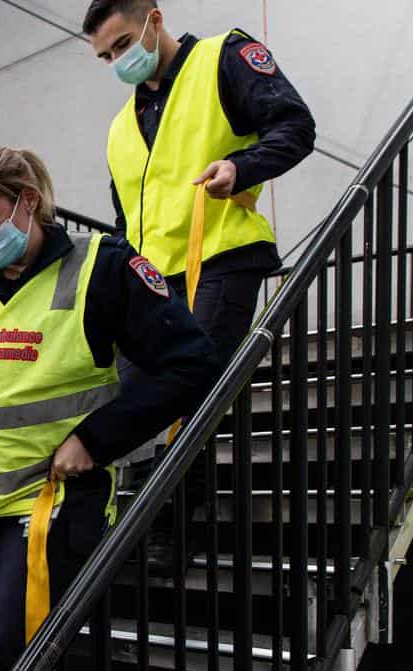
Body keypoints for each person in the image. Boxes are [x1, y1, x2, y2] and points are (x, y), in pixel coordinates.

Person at [0, 146, 219, 671]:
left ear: (28, 202)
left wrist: (97, 440)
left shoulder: (102, 265)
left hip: (47, 502)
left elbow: (190, 363)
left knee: (10, 649)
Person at [84, 0, 315, 565]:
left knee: (191, 383)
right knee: (132, 396)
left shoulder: (223, 57)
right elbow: (125, 217)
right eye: (106, 55)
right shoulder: (120, 127)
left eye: (121, 44)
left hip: (222, 254)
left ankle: (170, 523)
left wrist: (243, 167)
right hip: (154, 279)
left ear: (153, 20)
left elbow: (295, 126)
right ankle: (134, 515)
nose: (118, 60)